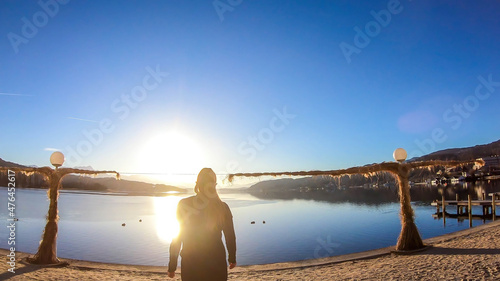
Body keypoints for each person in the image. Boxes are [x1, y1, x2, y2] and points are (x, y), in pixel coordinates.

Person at [168, 168, 237, 280]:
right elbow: (230, 236)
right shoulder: (223, 207)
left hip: (191, 265)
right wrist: (232, 258)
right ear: (214, 185)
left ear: (197, 184)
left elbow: (177, 237)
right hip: (216, 263)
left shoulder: (184, 205)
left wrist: (172, 266)